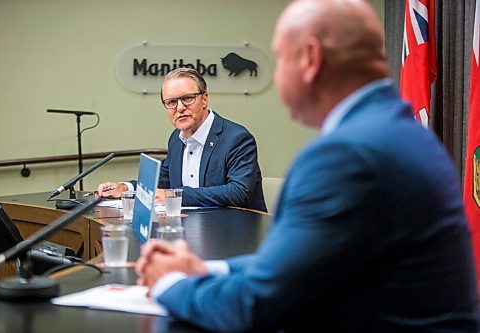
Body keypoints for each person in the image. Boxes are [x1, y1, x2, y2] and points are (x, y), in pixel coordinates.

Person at [135, 0, 480, 332]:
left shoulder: (345, 156)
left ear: (311, 58)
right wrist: (208, 268)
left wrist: (168, 283)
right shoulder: (396, 131)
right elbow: (294, 264)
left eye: (280, 59)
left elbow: (256, 304)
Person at [97, 67, 267, 212]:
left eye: (187, 98)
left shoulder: (236, 138)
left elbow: (239, 191)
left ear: (204, 99)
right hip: (190, 228)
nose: (179, 108)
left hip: (234, 233)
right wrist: (126, 188)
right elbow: (164, 180)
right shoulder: (176, 138)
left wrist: (175, 195)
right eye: (171, 102)